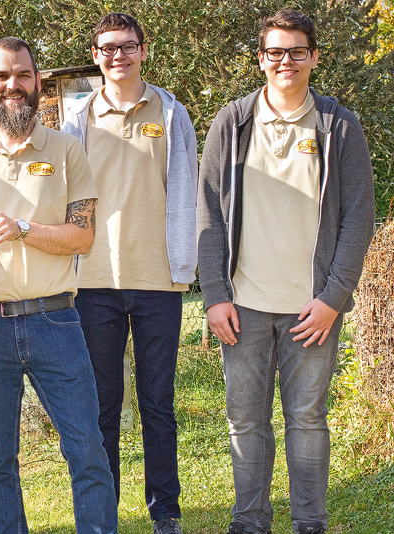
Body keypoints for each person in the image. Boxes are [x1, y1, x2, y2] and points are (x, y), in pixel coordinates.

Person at [197, 10, 375, 534]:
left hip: (311, 309)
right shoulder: (232, 123)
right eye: (275, 52)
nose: (286, 61)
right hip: (243, 307)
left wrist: (333, 298)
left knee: (308, 422)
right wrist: (215, 295)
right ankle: (250, 523)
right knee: (245, 422)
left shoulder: (339, 126)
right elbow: (208, 212)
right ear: (260, 59)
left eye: (297, 51)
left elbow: (358, 217)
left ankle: (309, 523)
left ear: (314, 57)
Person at [0, 37, 118, 534]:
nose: (12, 85)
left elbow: (82, 236)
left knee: (87, 450)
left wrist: (21, 228)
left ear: (37, 82)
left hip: (57, 321)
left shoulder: (67, 149)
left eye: (21, 75)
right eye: (1, 76)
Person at [61, 12, 197, 534]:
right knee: (101, 405)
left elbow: (187, 188)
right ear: (96, 56)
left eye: (128, 45)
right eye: (108, 47)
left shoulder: (171, 113)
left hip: (158, 279)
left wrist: (189, 260)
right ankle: (105, 510)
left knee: (157, 403)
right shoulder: (77, 120)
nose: (118, 55)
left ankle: (165, 511)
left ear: (143, 50)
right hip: (93, 281)